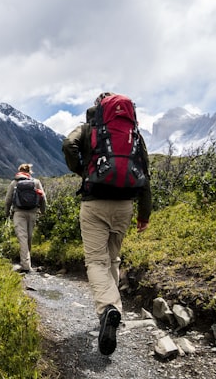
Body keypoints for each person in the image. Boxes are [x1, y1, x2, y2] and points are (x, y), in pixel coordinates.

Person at [62, 92, 152, 355]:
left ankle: (108, 309)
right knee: (113, 259)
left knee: (96, 261)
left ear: (98, 108)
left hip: (95, 202)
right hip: (125, 205)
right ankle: (112, 310)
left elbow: (68, 145)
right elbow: (145, 172)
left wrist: (82, 170)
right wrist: (144, 215)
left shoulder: (89, 128)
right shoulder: (132, 133)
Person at [5, 163, 47, 273]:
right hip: (33, 213)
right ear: (30, 172)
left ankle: (25, 265)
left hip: (18, 213)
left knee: (22, 238)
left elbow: (8, 200)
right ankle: (27, 263)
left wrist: (7, 214)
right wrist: (42, 211)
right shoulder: (36, 182)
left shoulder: (14, 183)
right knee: (29, 237)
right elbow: (43, 198)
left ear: (19, 171)